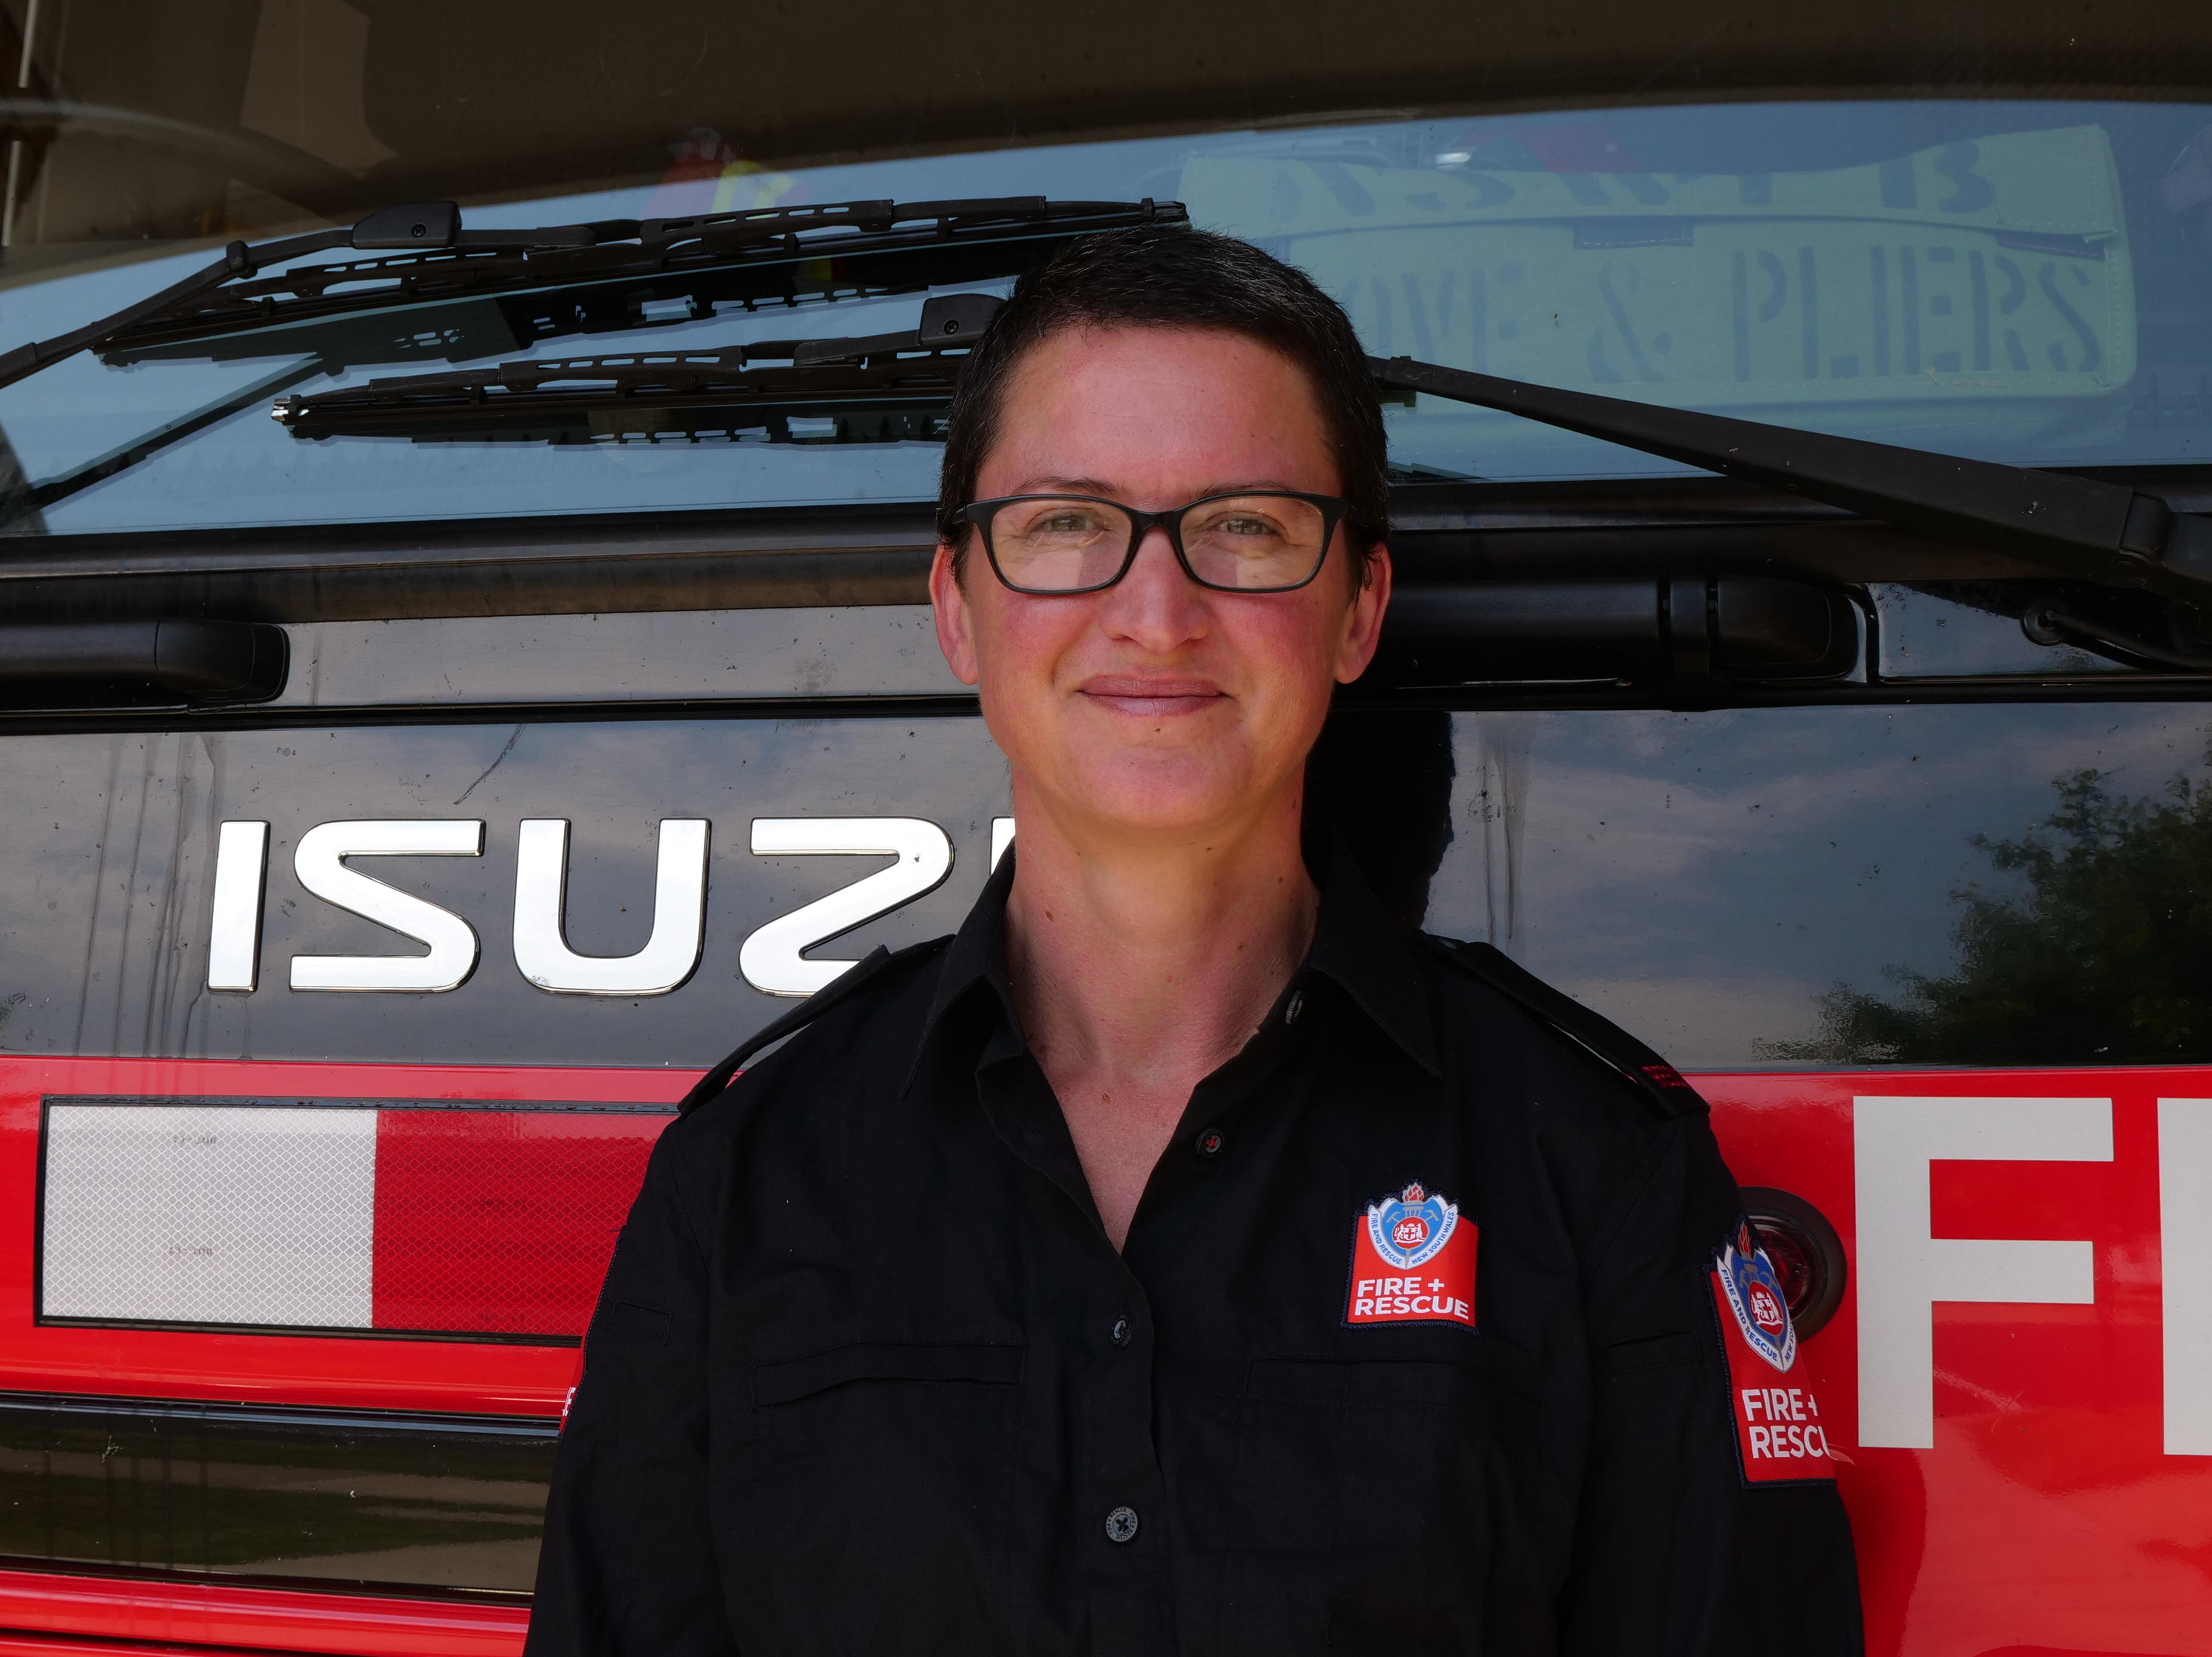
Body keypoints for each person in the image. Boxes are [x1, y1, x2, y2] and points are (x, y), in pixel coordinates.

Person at [527, 225, 1862, 1655]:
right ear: (955, 610)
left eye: (1245, 525)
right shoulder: (746, 1177)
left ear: (1356, 609)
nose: (1154, 613)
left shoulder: (1596, 1169)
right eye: (1061, 524)